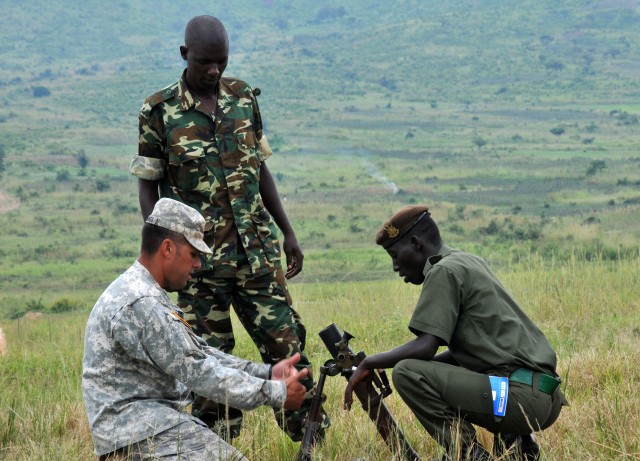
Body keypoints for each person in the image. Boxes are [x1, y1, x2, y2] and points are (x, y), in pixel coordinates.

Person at [129, 15, 328, 441]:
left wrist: (287, 233)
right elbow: (149, 188)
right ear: (185, 56)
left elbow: (261, 172)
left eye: (221, 61)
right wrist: (162, 248)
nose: (215, 71)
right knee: (210, 361)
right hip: (197, 264)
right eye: (205, 63)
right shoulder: (159, 111)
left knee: (288, 345)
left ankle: (312, 439)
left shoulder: (243, 98)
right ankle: (217, 446)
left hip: (256, 254)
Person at [82, 198, 310, 461]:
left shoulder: (144, 292)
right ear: (167, 248)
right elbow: (202, 374)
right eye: (193, 254)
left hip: (148, 428)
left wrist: (268, 372)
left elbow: (200, 354)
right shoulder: (143, 304)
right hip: (138, 436)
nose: (199, 265)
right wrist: (275, 392)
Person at [344, 205, 568, 461]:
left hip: (520, 400)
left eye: (395, 255)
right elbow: (471, 349)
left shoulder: (443, 271)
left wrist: (369, 362)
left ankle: (469, 454)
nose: (395, 267)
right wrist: (430, 373)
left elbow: (426, 346)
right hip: (543, 396)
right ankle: (518, 445)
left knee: (406, 372)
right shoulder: (466, 260)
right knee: (420, 369)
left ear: (416, 243)